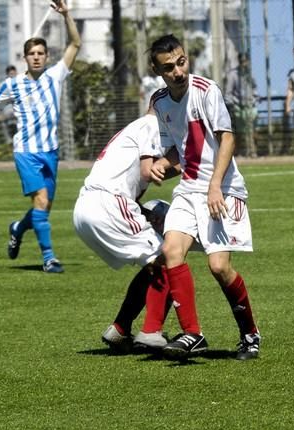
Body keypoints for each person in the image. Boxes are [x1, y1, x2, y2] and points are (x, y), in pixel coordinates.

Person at [147, 34, 261, 361]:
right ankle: (192, 333)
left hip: (223, 189)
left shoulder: (206, 90)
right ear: (158, 71)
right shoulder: (159, 103)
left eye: (181, 62)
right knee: (170, 250)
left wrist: (214, 185)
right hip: (187, 188)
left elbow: (227, 139)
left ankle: (250, 333)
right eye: (169, 67)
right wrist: (159, 167)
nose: (178, 71)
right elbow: (178, 152)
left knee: (219, 266)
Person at [0, 0, 81, 273]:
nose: (36, 57)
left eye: (41, 53)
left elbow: (75, 45)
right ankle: (49, 258)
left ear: (47, 56)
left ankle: (17, 228)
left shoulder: (55, 76)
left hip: (51, 151)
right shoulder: (13, 85)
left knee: (42, 209)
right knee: (42, 201)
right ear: (25, 57)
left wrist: (67, 15)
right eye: (32, 53)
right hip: (26, 152)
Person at [73, 111, 178, 352]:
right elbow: (147, 171)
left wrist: (142, 212)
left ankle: (120, 329)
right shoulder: (152, 123)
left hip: (86, 207)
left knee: (155, 263)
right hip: (108, 203)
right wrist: (187, 162)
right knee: (171, 257)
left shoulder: (137, 127)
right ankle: (153, 333)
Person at [224, 53, 259, 157]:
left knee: (254, 131)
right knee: (239, 133)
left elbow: (255, 88)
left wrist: (255, 99)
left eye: (246, 61)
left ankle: (253, 152)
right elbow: (228, 92)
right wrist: (233, 105)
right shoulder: (233, 74)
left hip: (251, 106)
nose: (244, 63)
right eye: (242, 61)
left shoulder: (250, 74)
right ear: (239, 61)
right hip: (238, 107)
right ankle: (237, 153)